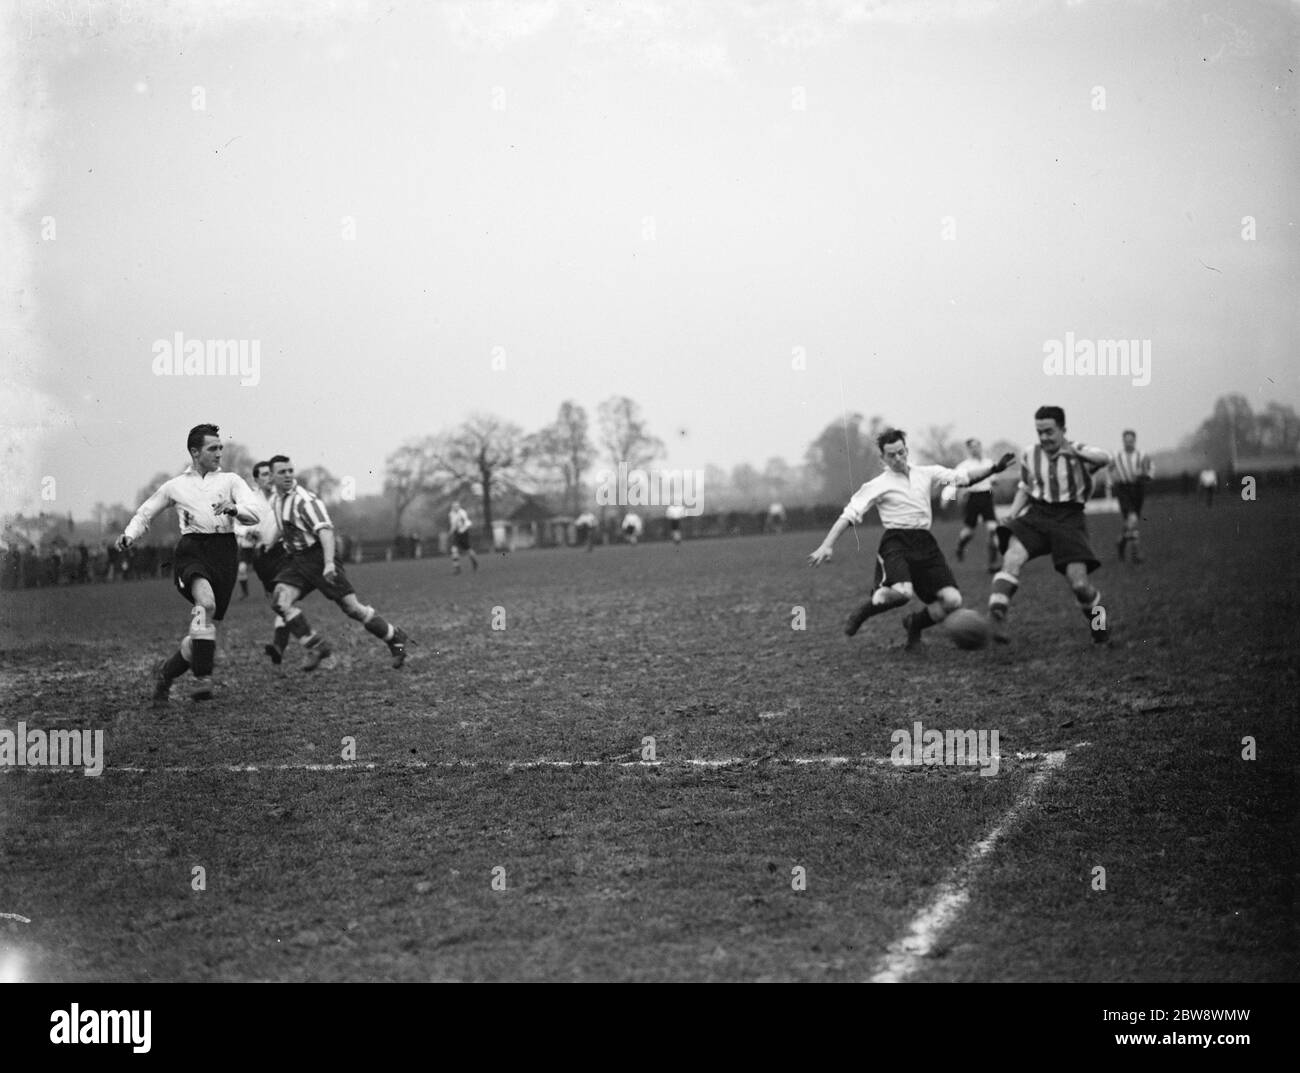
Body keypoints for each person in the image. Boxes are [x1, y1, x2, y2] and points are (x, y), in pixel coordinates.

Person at [808, 428, 1013, 650]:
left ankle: (914, 625)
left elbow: (962, 478)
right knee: (902, 594)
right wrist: (826, 545)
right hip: (896, 543)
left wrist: (994, 469)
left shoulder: (926, 473)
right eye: (891, 455)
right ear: (882, 458)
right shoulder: (877, 485)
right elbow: (848, 515)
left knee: (952, 600)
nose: (897, 458)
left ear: (906, 450)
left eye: (901, 452)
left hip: (925, 543)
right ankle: (865, 610)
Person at [116, 423, 263, 704]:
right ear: (195, 452)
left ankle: (166, 673)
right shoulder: (176, 486)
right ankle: (202, 679)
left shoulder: (231, 481)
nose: (220, 452)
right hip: (192, 552)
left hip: (224, 554)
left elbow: (254, 512)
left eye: (220, 447)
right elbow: (146, 513)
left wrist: (235, 509)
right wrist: (129, 535)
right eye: (213, 448)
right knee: (205, 604)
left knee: (200, 635)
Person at [268, 456, 409, 671]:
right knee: (280, 600)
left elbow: (325, 531)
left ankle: (394, 636)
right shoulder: (276, 500)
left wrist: (328, 564)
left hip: (319, 557)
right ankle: (316, 646)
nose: (288, 475)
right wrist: (268, 544)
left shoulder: (305, 501)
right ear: (272, 477)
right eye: (282, 472)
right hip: (297, 561)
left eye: (290, 470)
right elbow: (283, 525)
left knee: (352, 608)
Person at [988, 406, 1112, 646]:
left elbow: (1105, 458)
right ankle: (996, 615)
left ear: (1063, 430)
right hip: (1038, 514)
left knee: (1080, 586)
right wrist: (1013, 513)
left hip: (1069, 519)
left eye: (1049, 432)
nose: (1044, 437)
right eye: (1039, 432)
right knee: (1012, 558)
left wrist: (1073, 451)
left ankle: (1100, 625)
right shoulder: (1030, 454)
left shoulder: (1080, 452)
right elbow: (1025, 487)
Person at [241, 461, 291, 665]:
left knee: (285, 598)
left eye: (270, 474)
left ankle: (279, 644)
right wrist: (246, 532)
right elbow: (234, 524)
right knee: (278, 603)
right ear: (256, 479)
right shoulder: (249, 500)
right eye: (263, 475)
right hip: (261, 556)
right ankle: (280, 642)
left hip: (282, 551)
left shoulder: (283, 496)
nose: (268, 478)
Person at [945, 438, 1002, 573]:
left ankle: (992, 564)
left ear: (981, 447)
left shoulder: (989, 463)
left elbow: (994, 481)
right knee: (969, 532)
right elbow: (953, 482)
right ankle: (960, 546)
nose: (975, 449)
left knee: (993, 529)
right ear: (969, 449)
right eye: (972, 447)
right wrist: (949, 497)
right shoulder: (964, 466)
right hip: (972, 499)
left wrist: (994, 484)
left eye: (977, 446)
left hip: (987, 498)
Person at [1109, 430, 1153, 563]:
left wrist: (1143, 474)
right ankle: (1136, 553)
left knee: (1130, 521)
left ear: (1135, 440)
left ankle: (1121, 542)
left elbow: (1150, 470)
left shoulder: (1142, 455)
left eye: (1131, 440)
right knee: (1132, 518)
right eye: (1126, 440)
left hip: (1138, 489)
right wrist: (1113, 481)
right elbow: (1110, 470)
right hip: (1123, 489)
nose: (1128, 443)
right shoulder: (1117, 456)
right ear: (1123, 441)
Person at [448, 501, 478, 574]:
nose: (455, 508)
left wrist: (463, 529)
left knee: (468, 549)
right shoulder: (451, 514)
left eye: (457, 506)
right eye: (454, 506)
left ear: (459, 506)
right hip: (456, 533)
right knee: (454, 549)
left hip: (464, 533)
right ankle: (457, 568)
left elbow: (468, 523)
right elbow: (453, 525)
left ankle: (474, 561)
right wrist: (451, 532)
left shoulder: (462, 513)